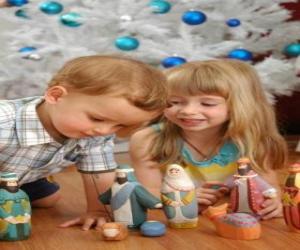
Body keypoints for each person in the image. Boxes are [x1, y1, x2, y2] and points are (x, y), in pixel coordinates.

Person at [0, 55, 167, 230]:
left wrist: (98, 211)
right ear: (56, 96)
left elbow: (99, 174)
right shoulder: (4, 121)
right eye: (96, 118)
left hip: (20, 176)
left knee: (49, 199)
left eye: (118, 125)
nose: (104, 131)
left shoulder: (97, 135)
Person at [130, 59, 288, 220]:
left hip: (231, 215)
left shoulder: (254, 140)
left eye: (207, 103)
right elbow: (149, 192)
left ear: (240, 105)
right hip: (178, 219)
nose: (188, 111)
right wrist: (182, 198)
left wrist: (272, 202)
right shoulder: (148, 140)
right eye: (174, 102)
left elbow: (270, 188)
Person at [0, 172, 31, 241]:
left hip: (22, 216)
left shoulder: (22, 193)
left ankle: (24, 234)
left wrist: (27, 214)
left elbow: (27, 204)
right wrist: (6, 217)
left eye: (14, 182)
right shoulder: (1, 194)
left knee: (25, 229)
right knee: (9, 231)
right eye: (10, 183)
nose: (13, 184)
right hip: (7, 218)